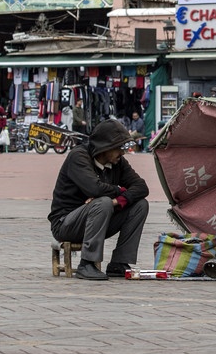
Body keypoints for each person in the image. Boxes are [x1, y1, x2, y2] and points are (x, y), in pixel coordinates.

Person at [48, 118, 150, 281]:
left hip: (99, 218)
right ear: (105, 147)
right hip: (66, 223)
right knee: (103, 202)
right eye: (119, 148)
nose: (122, 152)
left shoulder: (118, 162)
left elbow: (141, 187)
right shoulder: (79, 156)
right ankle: (87, 263)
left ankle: (119, 262)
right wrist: (120, 191)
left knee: (140, 205)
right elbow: (94, 188)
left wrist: (117, 200)